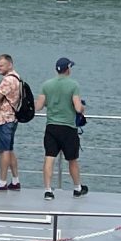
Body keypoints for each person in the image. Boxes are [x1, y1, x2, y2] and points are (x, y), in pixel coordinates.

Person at [39, 56, 89, 199]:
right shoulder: (74, 85)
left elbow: (40, 105)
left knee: (49, 158)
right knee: (72, 159)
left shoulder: (46, 85)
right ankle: (77, 188)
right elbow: (78, 108)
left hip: (51, 126)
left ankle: (48, 190)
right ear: (68, 69)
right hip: (68, 128)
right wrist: (82, 107)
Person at [0, 53, 26, 193]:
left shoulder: (8, 80)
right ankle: (15, 180)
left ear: (10, 64)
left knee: (4, 150)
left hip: (4, 119)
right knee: (9, 149)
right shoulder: (17, 78)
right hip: (12, 118)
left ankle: (2, 182)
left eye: (1, 65)